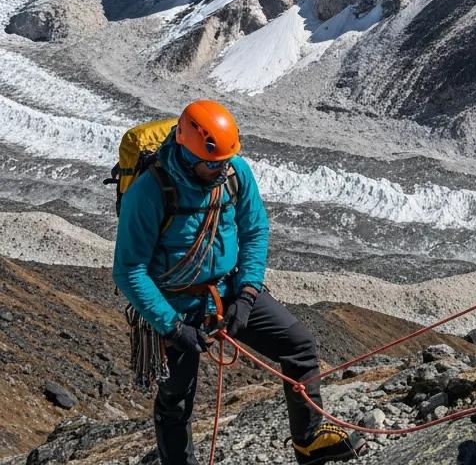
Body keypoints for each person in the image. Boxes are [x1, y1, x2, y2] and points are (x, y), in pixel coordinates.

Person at [113, 100, 360, 464]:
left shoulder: (233, 172)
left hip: (228, 291)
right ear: (184, 148)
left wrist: (247, 292)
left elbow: (255, 230)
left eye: (223, 162)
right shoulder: (149, 192)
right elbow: (129, 270)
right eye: (210, 164)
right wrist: (173, 327)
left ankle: (309, 440)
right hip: (173, 305)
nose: (219, 170)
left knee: (300, 347)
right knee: (176, 398)